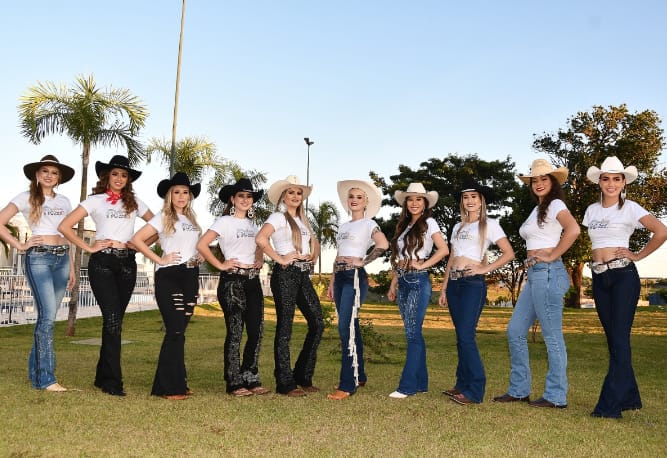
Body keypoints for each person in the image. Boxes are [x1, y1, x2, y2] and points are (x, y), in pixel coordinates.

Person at [59, 155, 153, 397]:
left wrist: (136, 244)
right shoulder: (95, 200)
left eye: (124, 175)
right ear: (106, 177)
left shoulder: (135, 202)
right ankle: (112, 381)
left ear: (128, 179)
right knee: (112, 320)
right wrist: (89, 248)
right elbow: (65, 226)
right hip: (102, 264)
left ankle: (102, 376)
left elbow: (159, 226)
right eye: (115, 174)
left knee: (115, 322)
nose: (119, 178)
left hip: (127, 264)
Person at [583, 156, 667, 418]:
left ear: (623, 182)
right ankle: (630, 396)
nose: (611, 184)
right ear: (599, 181)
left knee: (619, 339)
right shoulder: (591, 211)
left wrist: (638, 255)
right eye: (606, 178)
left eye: (616, 179)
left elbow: (661, 231)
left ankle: (610, 406)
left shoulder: (631, 208)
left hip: (623, 277)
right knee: (614, 340)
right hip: (599, 278)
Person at [493, 158, 580, 409]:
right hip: (535, 275)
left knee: (552, 336)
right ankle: (520, 390)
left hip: (549, 273)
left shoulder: (555, 204)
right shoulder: (538, 209)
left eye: (544, 179)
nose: (539, 183)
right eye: (535, 180)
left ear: (553, 182)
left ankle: (556, 396)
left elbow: (573, 230)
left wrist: (552, 255)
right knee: (515, 331)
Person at [0, 155, 75, 392]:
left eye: (54, 172)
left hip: (62, 259)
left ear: (59, 177)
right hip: (39, 258)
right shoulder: (25, 197)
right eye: (45, 171)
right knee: (47, 317)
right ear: (37, 175)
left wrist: (72, 266)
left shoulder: (64, 201)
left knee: (48, 317)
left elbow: (68, 235)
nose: (49, 175)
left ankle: (36, 373)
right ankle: (46, 379)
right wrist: (20, 245)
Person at [438, 178, 515, 405]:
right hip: (454, 284)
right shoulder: (457, 227)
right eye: (466, 197)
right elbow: (451, 258)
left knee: (466, 336)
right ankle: (461, 384)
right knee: (460, 337)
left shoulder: (490, 225)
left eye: (474, 197)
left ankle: (475, 390)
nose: (469, 201)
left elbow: (508, 253)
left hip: (473, 284)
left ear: (481, 201)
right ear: (462, 202)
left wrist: (485, 268)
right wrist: (443, 287)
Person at [196, 177, 271, 397]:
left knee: (257, 330)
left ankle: (251, 377)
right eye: (241, 196)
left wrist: (259, 258)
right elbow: (201, 244)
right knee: (236, 331)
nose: (246, 200)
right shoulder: (224, 222)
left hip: (252, 281)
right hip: (232, 282)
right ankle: (234, 381)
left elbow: (260, 244)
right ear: (233, 199)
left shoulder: (253, 224)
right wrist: (221, 264)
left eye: (249, 196)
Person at [130, 172, 202, 400]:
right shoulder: (162, 217)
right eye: (177, 192)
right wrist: (159, 259)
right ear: (169, 195)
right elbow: (136, 240)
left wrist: (199, 253)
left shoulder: (192, 220)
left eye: (185, 192)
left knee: (180, 333)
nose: (181, 196)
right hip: (170, 275)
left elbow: (192, 245)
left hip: (190, 275)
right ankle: (169, 387)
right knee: (175, 331)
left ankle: (175, 383)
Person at [255, 175, 325, 397]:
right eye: (290, 192)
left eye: (298, 193)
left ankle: (303, 376)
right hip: (285, 275)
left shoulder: (304, 221)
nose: (295, 196)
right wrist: (281, 258)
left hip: (303, 275)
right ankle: (285, 383)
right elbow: (261, 239)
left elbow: (316, 244)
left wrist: (312, 258)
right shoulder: (277, 217)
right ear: (283, 196)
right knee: (285, 328)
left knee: (318, 322)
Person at [326, 180, 389, 401]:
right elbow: (338, 254)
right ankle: (359, 374)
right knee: (351, 326)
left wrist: (364, 261)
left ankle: (348, 384)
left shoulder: (369, 223)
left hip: (354, 276)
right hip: (340, 276)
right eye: (351, 196)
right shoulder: (343, 227)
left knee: (346, 328)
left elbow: (383, 244)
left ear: (366, 202)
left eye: (359, 197)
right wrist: (332, 281)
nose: (354, 200)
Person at [387, 182, 449, 399]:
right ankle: (421, 383)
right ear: (406, 203)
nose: (414, 203)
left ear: (425, 203)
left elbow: (444, 249)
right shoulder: (403, 225)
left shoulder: (430, 223)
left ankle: (408, 386)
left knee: (412, 334)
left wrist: (423, 265)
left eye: (418, 199)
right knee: (414, 333)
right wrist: (394, 282)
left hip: (417, 281)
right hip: (403, 280)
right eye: (410, 199)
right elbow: (400, 257)